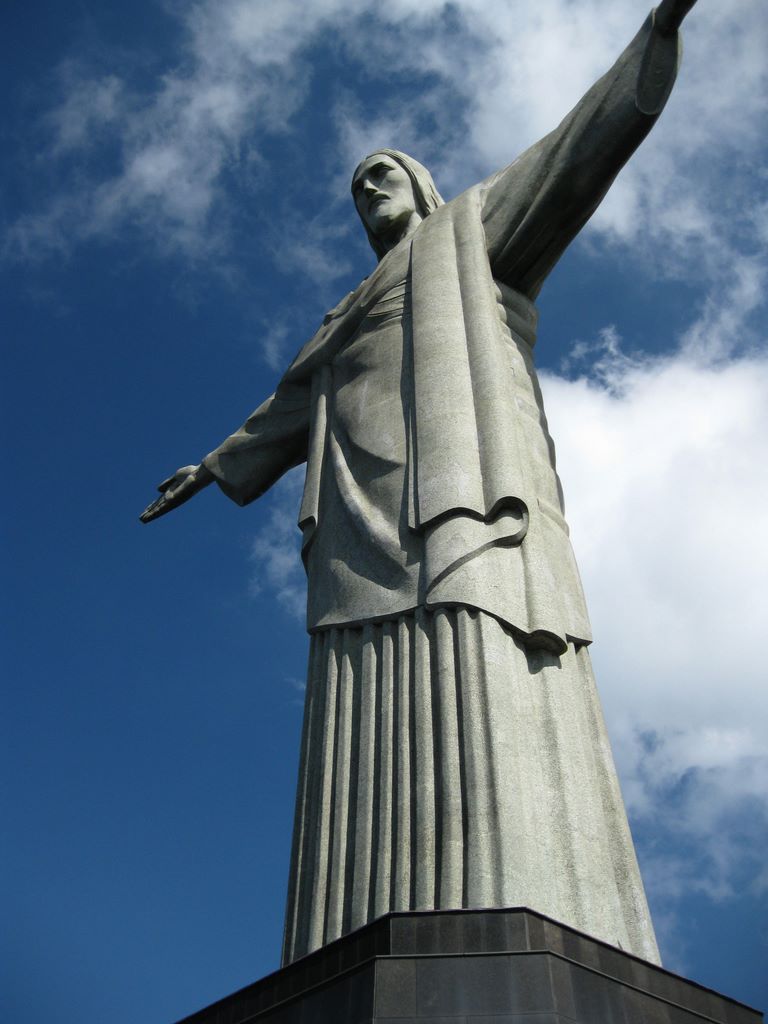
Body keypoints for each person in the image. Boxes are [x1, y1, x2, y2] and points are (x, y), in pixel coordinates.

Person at [142, 0, 698, 966]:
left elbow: (579, 149)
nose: (367, 187)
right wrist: (212, 467)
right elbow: (280, 415)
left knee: (474, 640)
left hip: (461, 495)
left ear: (423, 186)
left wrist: (662, 26)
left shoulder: (471, 237)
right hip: (357, 524)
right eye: (358, 185)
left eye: (383, 173)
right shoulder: (336, 315)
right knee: (358, 685)